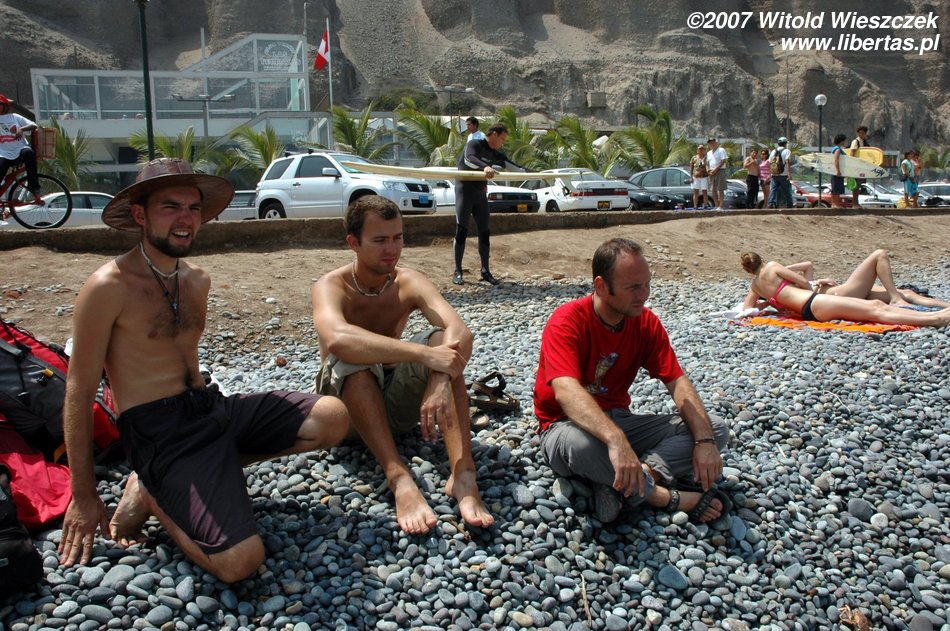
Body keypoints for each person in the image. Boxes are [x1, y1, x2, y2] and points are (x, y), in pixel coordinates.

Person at [58, 158, 350, 583]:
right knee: (240, 561)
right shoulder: (108, 287)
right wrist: (83, 496)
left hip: (210, 408)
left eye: (193, 208)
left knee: (332, 416)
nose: (185, 218)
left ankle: (192, 478)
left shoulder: (197, 280)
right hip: (162, 433)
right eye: (170, 206)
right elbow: (79, 390)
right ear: (140, 215)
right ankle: (153, 491)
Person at [312, 195, 494, 535]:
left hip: (396, 406)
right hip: (346, 414)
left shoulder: (407, 281)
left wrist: (439, 377)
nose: (391, 249)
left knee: (443, 342)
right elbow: (337, 338)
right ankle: (399, 478)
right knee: (352, 358)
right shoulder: (332, 286)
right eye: (380, 240)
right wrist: (422, 354)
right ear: (353, 243)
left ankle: (463, 474)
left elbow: (459, 331)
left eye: (397, 238)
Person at [534, 238, 730, 525]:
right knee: (583, 446)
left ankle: (630, 480)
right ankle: (664, 497)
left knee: (715, 428)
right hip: (564, 425)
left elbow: (677, 381)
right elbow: (566, 391)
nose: (644, 295)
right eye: (633, 287)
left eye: (647, 284)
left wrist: (704, 441)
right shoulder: (567, 321)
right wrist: (616, 441)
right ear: (601, 286)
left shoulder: (645, 322)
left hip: (618, 419)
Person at [739, 252, 950, 326]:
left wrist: (770, 302)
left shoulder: (755, 286)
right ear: (761, 260)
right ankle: (935, 319)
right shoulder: (773, 266)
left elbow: (748, 310)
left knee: (876, 305)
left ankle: (936, 315)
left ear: (748, 270)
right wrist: (813, 284)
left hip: (810, 309)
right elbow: (803, 283)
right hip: (814, 302)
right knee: (876, 309)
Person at [784, 249, 950, 309]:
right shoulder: (793, 291)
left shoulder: (802, 281)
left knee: (907, 292)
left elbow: (808, 265)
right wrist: (817, 283)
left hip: (848, 292)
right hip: (842, 294)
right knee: (879, 255)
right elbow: (809, 299)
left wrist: (782, 269)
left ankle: (946, 306)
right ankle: (895, 299)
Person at [453, 123, 510, 286]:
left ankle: (485, 271)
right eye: (502, 139)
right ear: (494, 134)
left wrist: (534, 174)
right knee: (462, 230)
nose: (503, 143)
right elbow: (469, 159)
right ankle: (458, 271)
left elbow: (512, 165)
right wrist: (485, 166)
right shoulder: (474, 144)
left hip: (480, 195)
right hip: (464, 192)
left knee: (484, 232)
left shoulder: (494, 153)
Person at [0, 94, 42, 213]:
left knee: (29, 153)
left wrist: (22, 129)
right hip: (3, 153)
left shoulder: (15, 117)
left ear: (5, 106)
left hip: (20, 150)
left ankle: (34, 187)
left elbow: (33, 125)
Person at [767, 137, 792, 209]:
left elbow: (769, 163)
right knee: (787, 190)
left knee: (773, 190)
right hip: (783, 175)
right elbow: (787, 162)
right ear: (785, 144)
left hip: (774, 175)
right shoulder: (787, 151)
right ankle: (789, 204)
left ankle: (770, 204)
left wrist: (770, 173)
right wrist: (789, 174)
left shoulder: (773, 151)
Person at [849, 125, 869, 208]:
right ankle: (854, 203)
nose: (861, 134)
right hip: (856, 166)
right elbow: (852, 153)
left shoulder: (865, 142)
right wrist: (852, 164)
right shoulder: (855, 142)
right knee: (855, 185)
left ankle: (856, 203)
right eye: (860, 133)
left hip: (862, 166)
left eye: (863, 133)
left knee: (859, 185)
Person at [706, 138, 728, 209]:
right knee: (713, 189)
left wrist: (716, 169)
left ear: (716, 143)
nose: (712, 144)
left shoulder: (721, 150)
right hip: (711, 172)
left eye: (713, 142)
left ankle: (721, 206)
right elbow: (707, 163)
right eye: (710, 143)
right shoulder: (708, 153)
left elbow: (723, 161)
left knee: (720, 189)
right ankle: (716, 205)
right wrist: (708, 170)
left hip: (720, 171)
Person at [829, 134, 848, 208]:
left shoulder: (836, 148)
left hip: (834, 171)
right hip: (836, 171)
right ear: (841, 141)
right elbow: (836, 160)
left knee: (835, 187)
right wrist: (838, 170)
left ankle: (834, 204)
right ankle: (835, 204)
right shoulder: (838, 149)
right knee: (836, 188)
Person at [689, 144, 709, 210]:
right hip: (696, 177)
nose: (700, 150)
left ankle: (705, 205)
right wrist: (691, 177)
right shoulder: (694, 158)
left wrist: (703, 169)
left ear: (704, 150)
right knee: (696, 192)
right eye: (699, 149)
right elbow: (691, 168)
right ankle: (695, 206)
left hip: (704, 176)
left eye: (702, 149)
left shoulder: (706, 158)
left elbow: (708, 166)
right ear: (697, 150)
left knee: (704, 191)